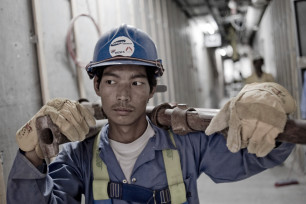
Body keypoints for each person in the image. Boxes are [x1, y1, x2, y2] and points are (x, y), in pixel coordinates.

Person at [7, 24, 296, 204]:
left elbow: (258, 154)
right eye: (111, 81)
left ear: (152, 88)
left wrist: (271, 114)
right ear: (96, 85)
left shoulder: (186, 143)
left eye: (135, 82)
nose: (122, 95)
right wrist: (32, 156)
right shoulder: (77, 155)